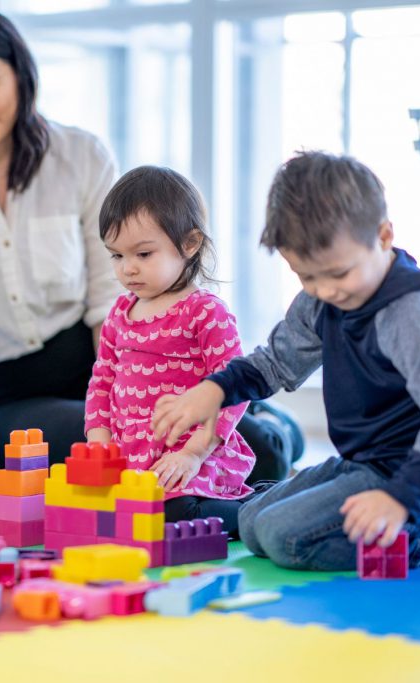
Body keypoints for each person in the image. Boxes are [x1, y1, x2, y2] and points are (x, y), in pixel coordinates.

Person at [0, 4, 302, 478]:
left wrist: (132, 405)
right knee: (117, 463)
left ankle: (263, 420)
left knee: (247, 449)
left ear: (22, 78)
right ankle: (261, 422)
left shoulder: (79, 155)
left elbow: (112, 296)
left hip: (109, 368)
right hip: (6, 398)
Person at [151, 151, 420, 570]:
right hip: (364, 464)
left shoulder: (410, 313)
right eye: (306, 276)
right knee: (252, 524)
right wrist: (213, 391)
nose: (325, 290)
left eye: (338, 274)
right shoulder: (321, 299)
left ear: (383, 237)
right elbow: (275, 362)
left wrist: (401, 499)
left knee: (284, 540)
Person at [85, 166, 254, 531]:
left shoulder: (205, 312)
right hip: (135, 461)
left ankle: (261, 510)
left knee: (174, 514)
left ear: (190, 244)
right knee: (104, 515)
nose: (128, 269)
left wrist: (193, 453)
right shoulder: (118, 313)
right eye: (116, 256)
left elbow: (235, 389)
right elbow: (101, 383)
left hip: (193, 455)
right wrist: (98, 443)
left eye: (143, 254)